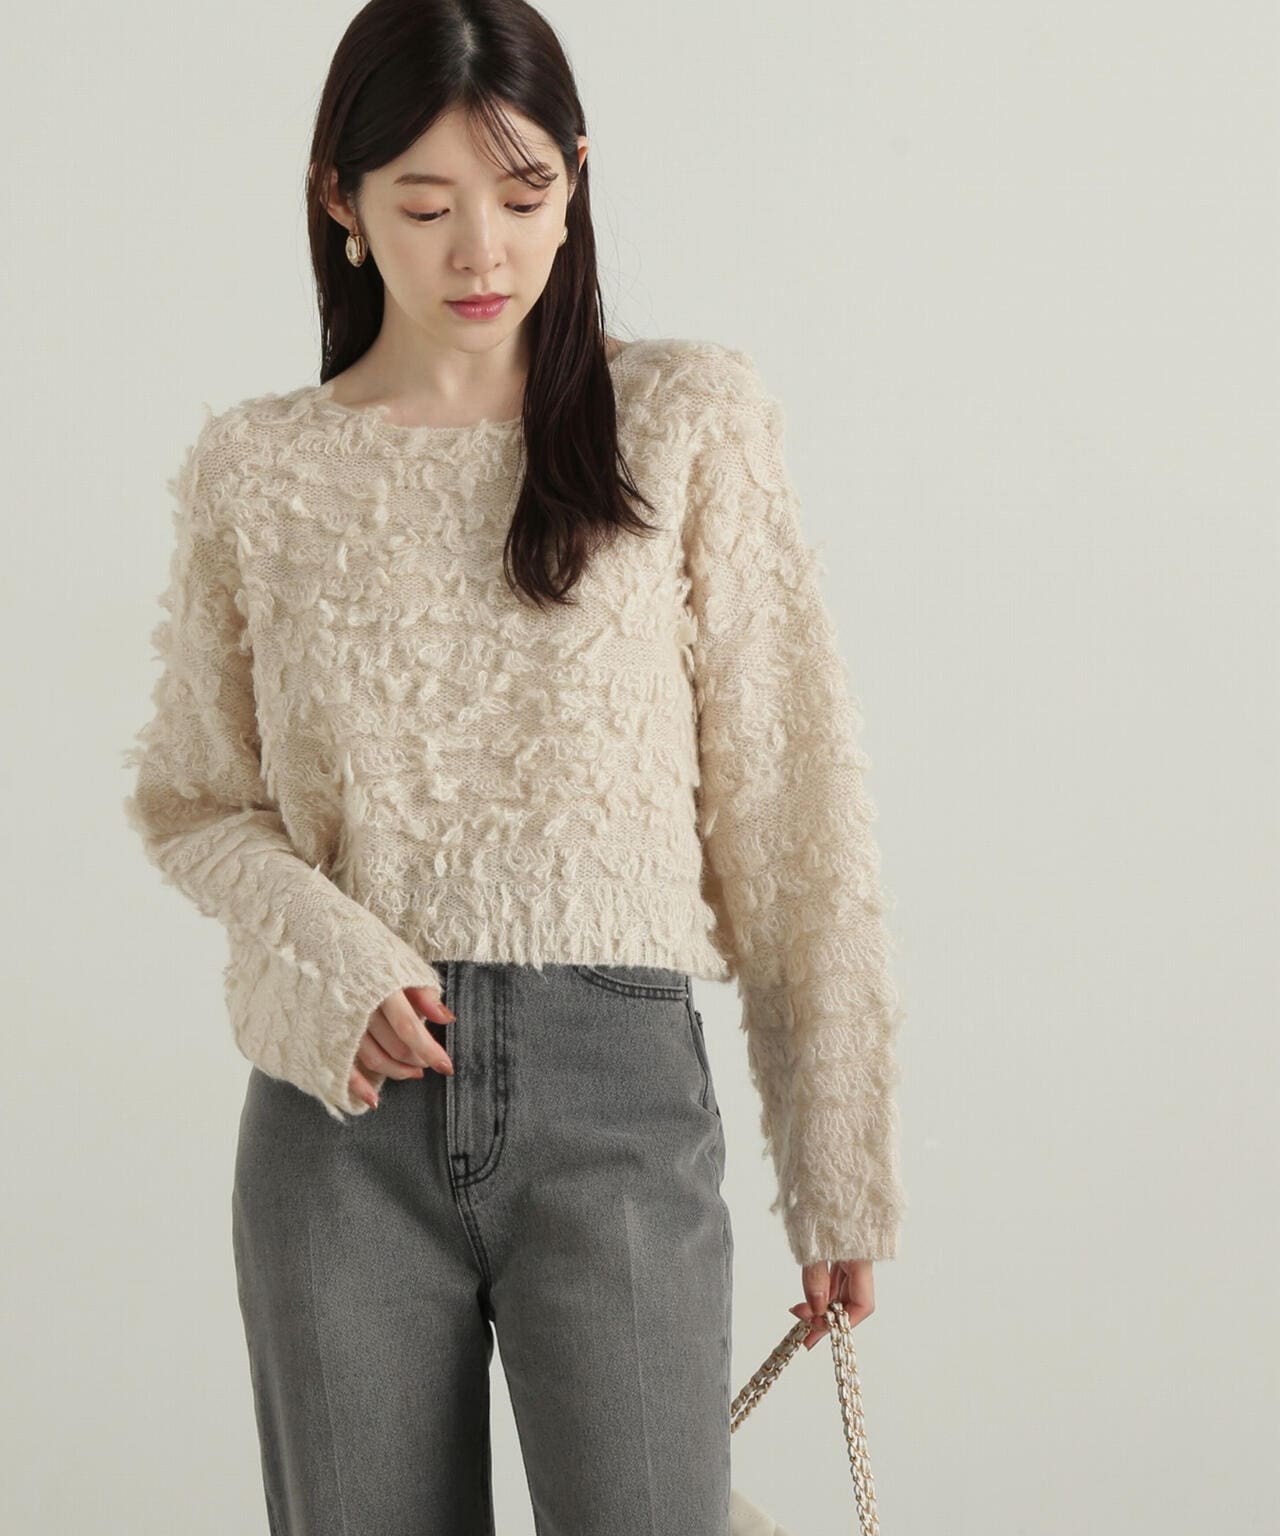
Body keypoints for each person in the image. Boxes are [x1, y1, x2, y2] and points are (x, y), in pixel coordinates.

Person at [121, 1, 907, 1531]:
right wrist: (335, 950)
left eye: (525, 192)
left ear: (577, 180)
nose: (482, 248)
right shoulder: (261, 469)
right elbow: (194, 801)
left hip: (615, 1090)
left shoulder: (684, 420)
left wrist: (839, 1169)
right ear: (341, 203)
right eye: (425, 205)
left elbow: (797, 813)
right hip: (340, 1116)